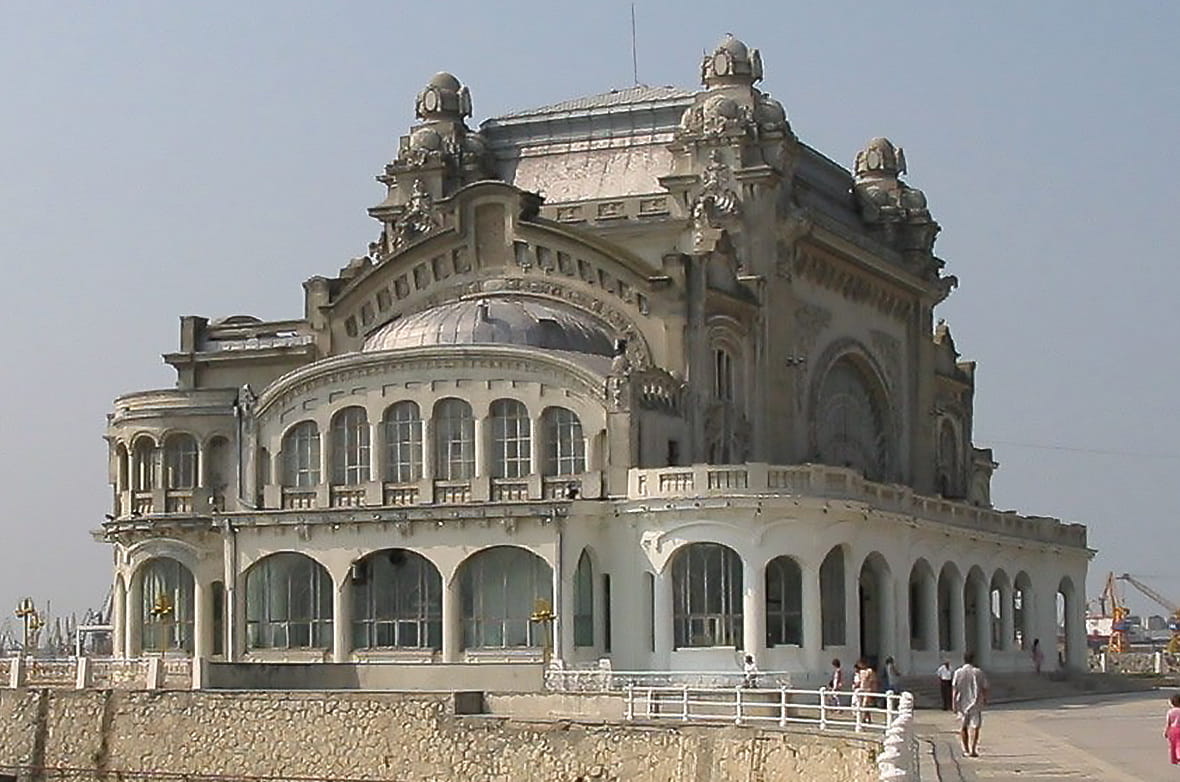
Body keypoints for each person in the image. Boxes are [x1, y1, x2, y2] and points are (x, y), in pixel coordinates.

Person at [952, 651, 989, 758]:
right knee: (975, 727)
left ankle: (965, 749)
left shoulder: (958, 672)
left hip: (962, 703)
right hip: (976, 703)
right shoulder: (978, 672)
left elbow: (955, 689)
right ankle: (973, 749)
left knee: (963, 727)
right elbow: (985, 687)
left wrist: (953, 703)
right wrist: (985, 699)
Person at [1164, 693, 1180, 765]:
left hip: (1172, 730)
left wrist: (1166, 732)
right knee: (1179, 744)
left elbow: (1168, 723)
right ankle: (1179, 755)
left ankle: (1174, 759)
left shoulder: (1170, 712)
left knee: (1172, 745)